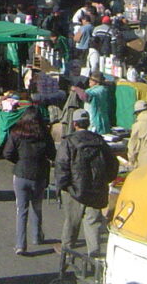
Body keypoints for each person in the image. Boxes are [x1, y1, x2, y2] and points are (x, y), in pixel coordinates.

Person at [54, 108, 118, 258]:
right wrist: (103, 181)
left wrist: (62, 188)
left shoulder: (68, 142)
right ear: (88, 123)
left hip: (74, 190)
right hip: (96, 190)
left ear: (75, 124)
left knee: (71, 224)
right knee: (93, 224)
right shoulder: (100, 141)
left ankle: (67, 257)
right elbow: (112, 165)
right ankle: (94, 258)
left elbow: (61, 167)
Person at [2, 108, 55, 255]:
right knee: (37, 206)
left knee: (21, 209)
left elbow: (7, 153)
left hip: (21, 174)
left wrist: (18, 161)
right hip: (39, 174)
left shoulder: (16, 133)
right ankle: (37, 236)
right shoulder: (44, 135)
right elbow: (52, 154)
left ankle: (20, 244)